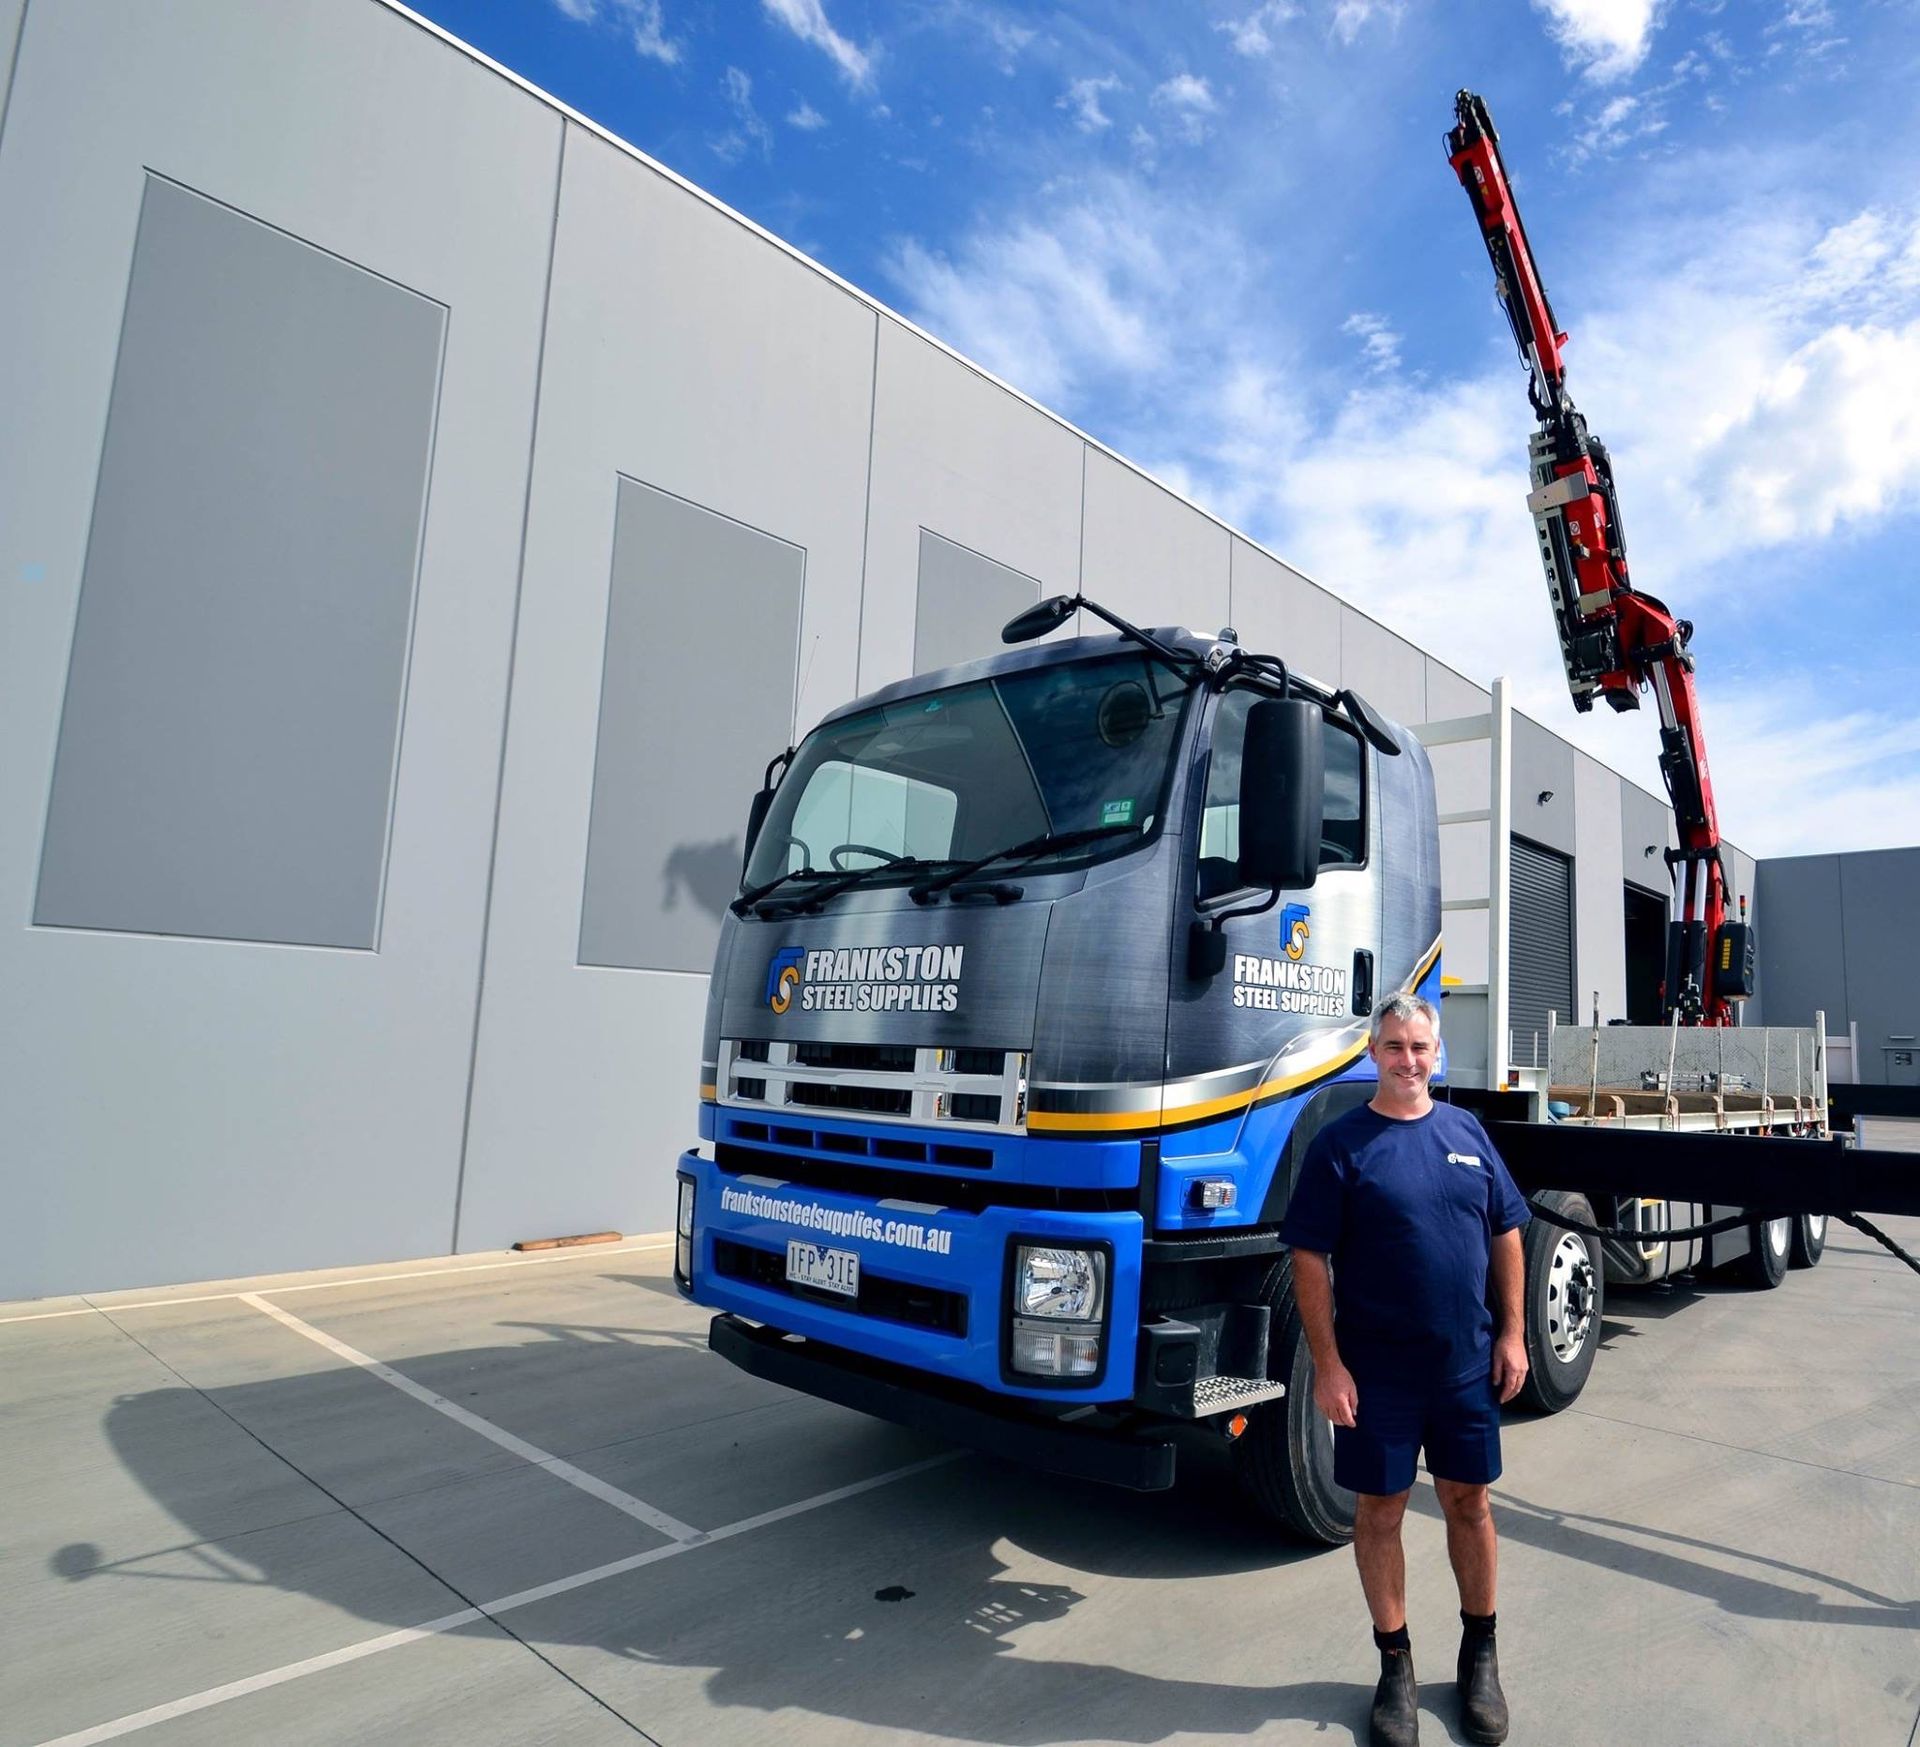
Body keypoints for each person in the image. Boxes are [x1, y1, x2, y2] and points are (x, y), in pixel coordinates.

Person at [1278, 992, 1531, 1747]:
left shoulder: (1467, 1132)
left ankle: (1479, 1653)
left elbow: (1508, 1230)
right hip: (1377, 1375)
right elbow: (1308, 1257)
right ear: (1372, 1053)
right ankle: (1396, 1665)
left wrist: (1514, 1332)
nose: (1408, 1060)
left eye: (1420, 1047)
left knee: (1469, 1505)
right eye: (1394, 1046)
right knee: (1379, 1513)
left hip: (1464, 1369)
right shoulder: (1341, 1144)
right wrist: (1327, 1365)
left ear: (1436, 1051)